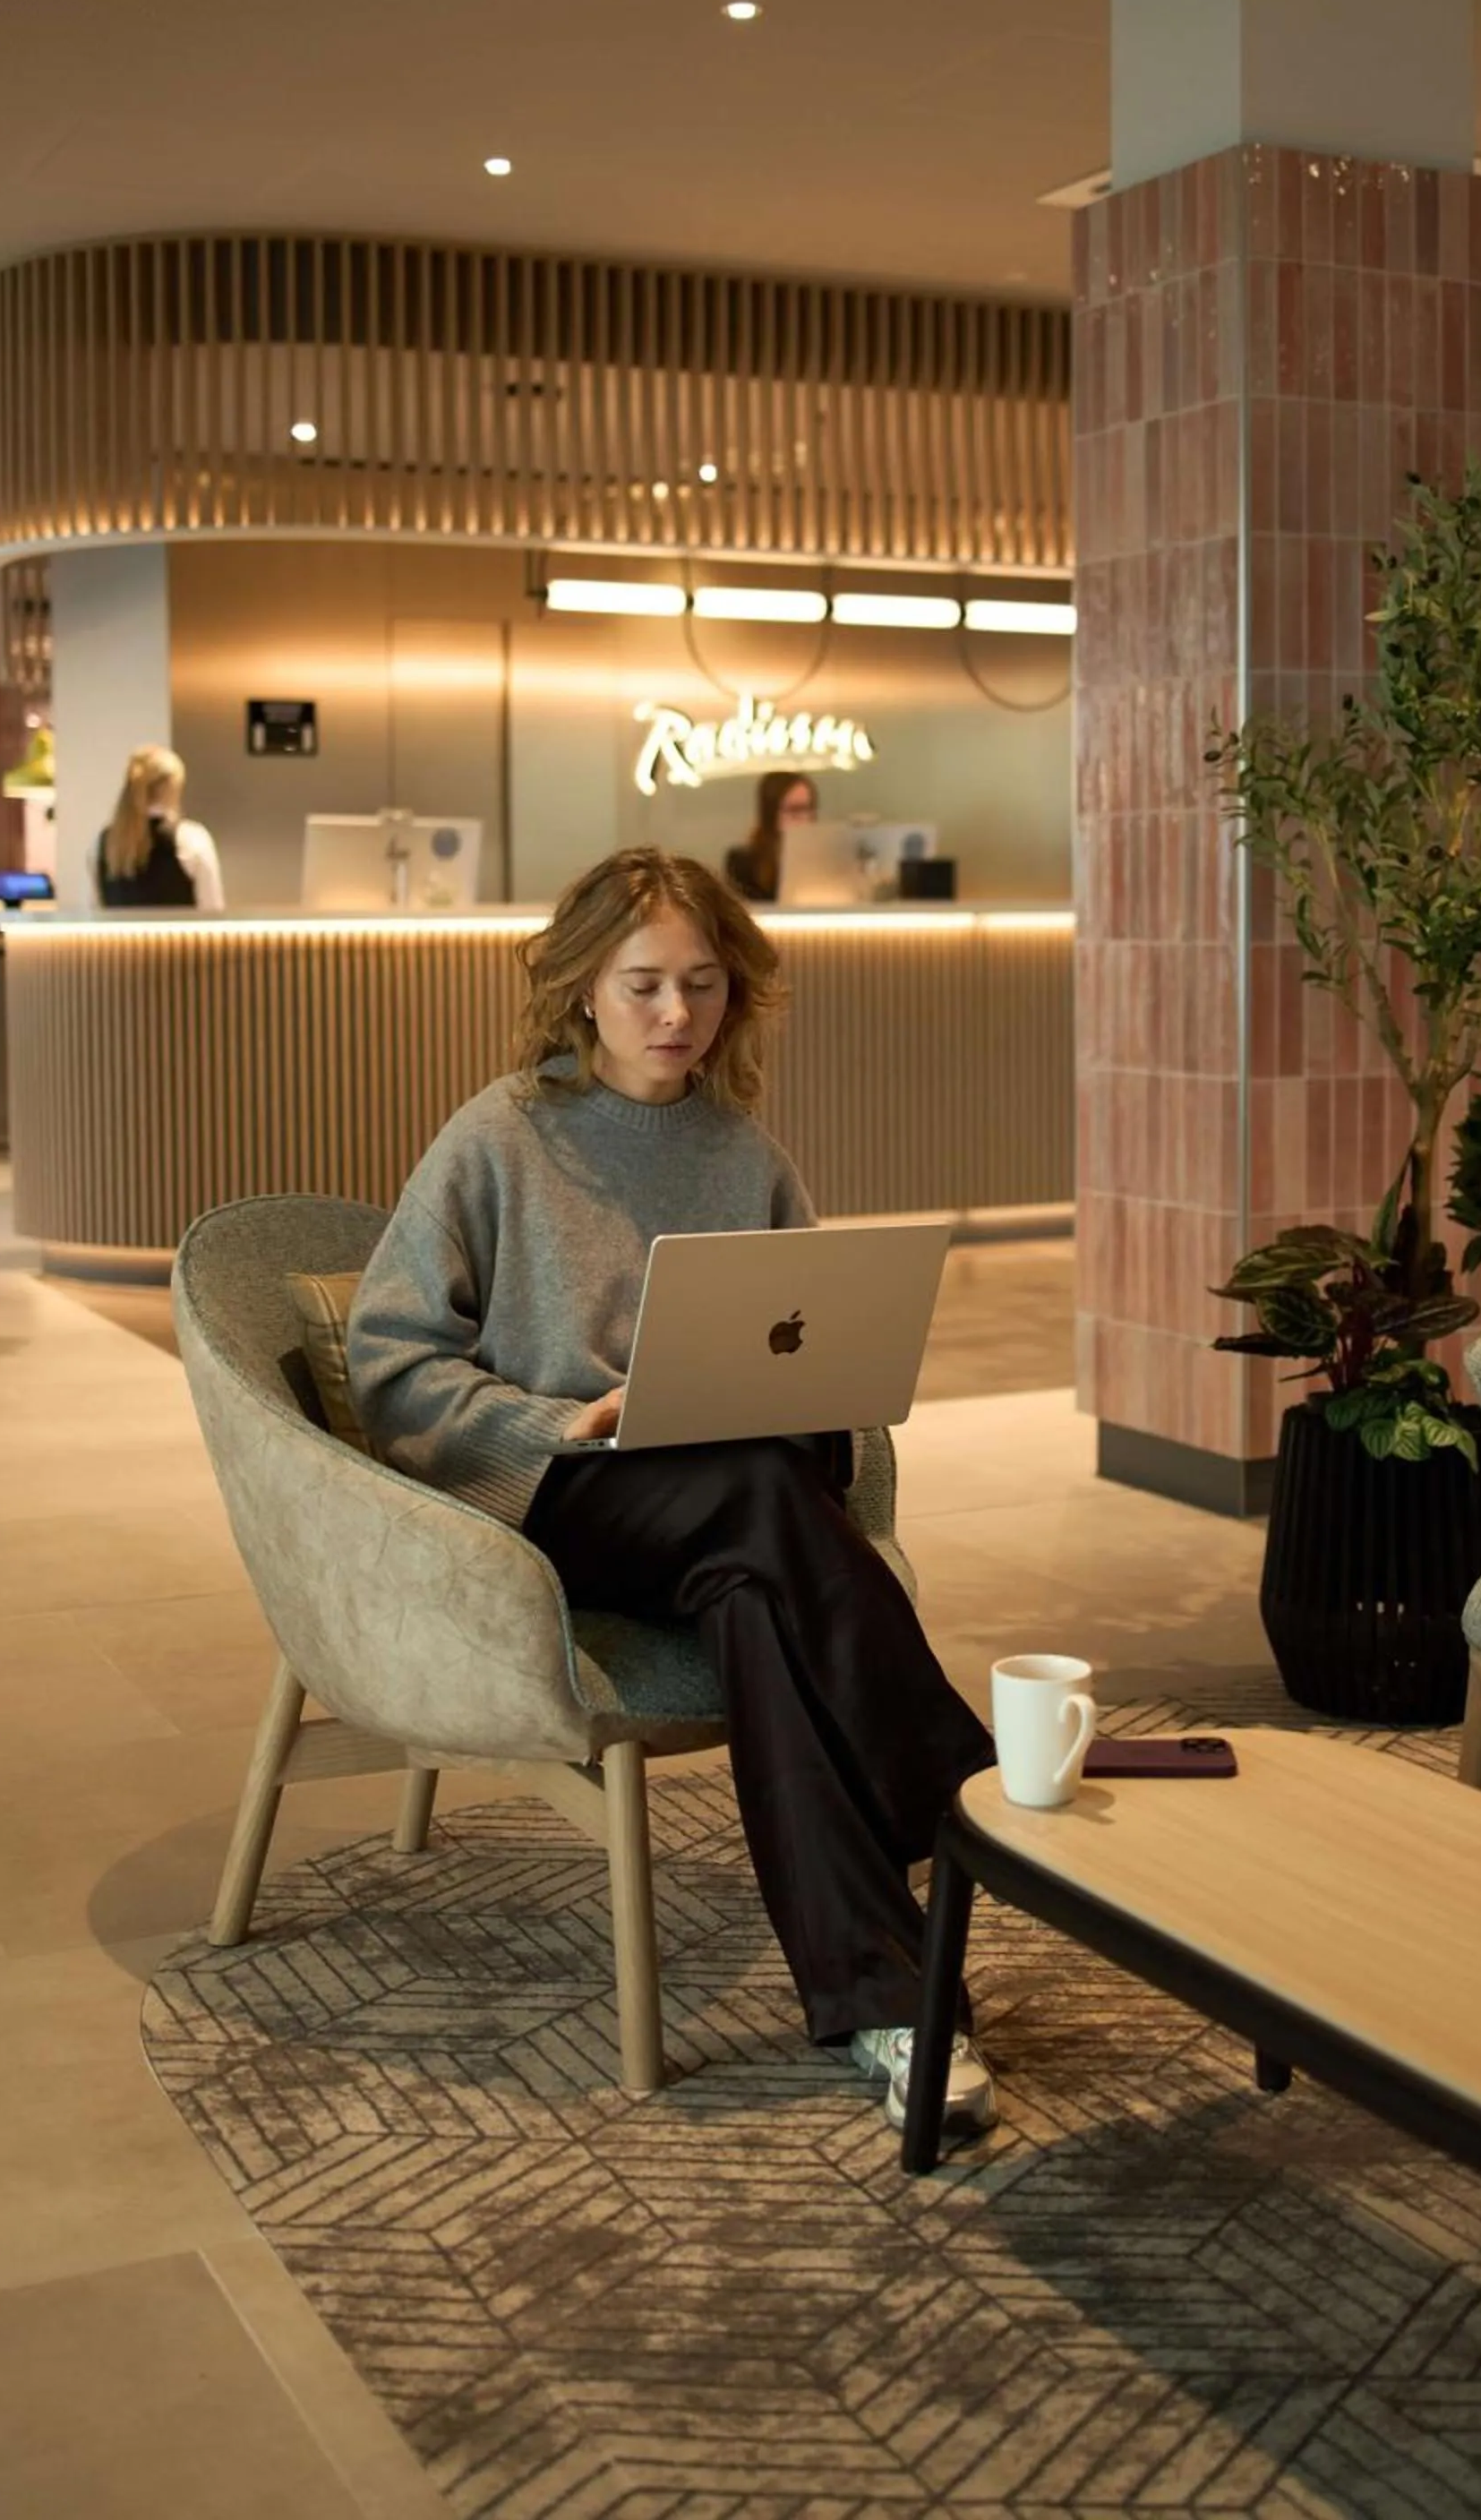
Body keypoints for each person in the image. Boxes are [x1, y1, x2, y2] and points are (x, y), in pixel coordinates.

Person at [346, 844, 998, 2136]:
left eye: (701, 983)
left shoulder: (742, 1154)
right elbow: (391, 1368)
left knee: (757, 1589)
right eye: (642, 984)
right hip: (564, 1493)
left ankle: (894, 2009)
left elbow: (815, 1347)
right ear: (581, 987)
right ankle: (958, 1783)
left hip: (733, 1503)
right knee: (757, 1501)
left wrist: (810, 1397)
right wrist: (557, 1420)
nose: (675, 1013)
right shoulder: (499, 1135)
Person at [91, 745, 225, 908]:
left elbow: (94, 912)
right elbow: (212, 910)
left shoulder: (102, 844)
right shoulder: (192, 840)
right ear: (174, 789)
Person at [723, 769, 818, 904]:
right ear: (771, 813)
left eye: (809, 809)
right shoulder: (743, 864)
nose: (805, 819)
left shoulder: (823, 861)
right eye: (795, 810)